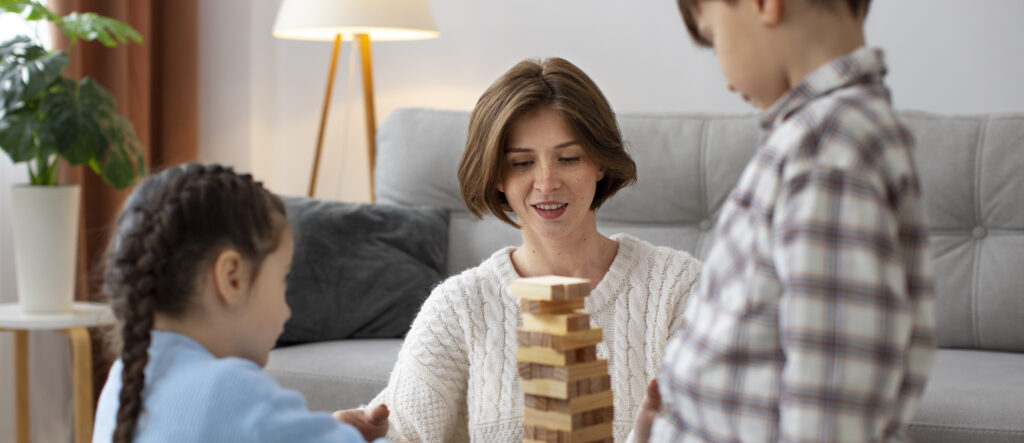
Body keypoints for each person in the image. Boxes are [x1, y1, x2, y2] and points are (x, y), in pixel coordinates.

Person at [334, 57, 703, 442]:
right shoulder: (458, 308)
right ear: (496, 175)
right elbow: (401, 430)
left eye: (569, 158)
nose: (546, 182)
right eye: (522, 163)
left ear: (599, 163)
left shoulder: (675, 287)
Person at [640, 0, 937, 441]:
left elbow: (830, 399)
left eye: (714, 37)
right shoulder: (826, 136)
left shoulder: (827, 149)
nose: (725, 79)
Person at [92, 164, 389, 443]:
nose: (287, 310)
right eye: (283, 278)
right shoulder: (227, 388)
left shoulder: (123, 382)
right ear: (232, 278)